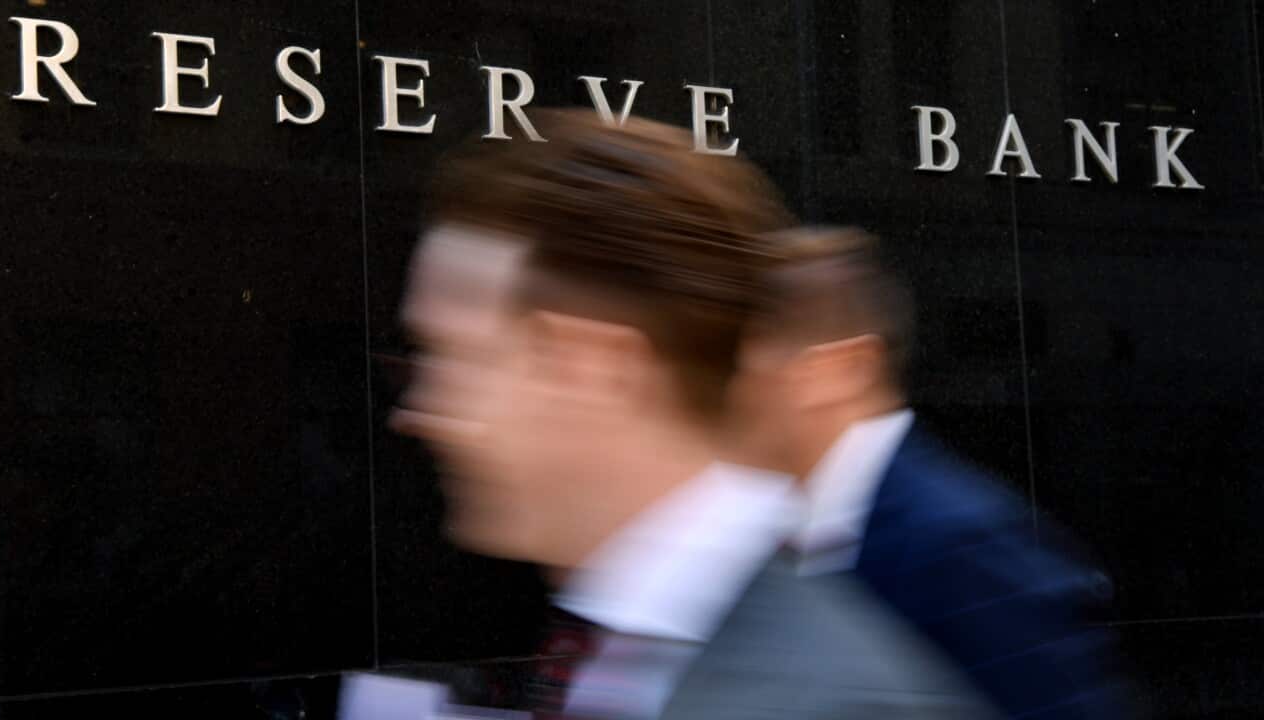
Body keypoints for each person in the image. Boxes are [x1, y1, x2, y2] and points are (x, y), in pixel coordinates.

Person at [389, 111, 997, 719]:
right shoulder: (631, 655)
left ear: (586, 366)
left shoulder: (828, 702)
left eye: (456, 356)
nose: (420, 413)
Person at [734, 226, 1130, 719]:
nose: (722, 397)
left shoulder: (961, 543)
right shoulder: (787, 530)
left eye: (741, 369)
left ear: (841, 370)